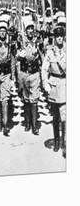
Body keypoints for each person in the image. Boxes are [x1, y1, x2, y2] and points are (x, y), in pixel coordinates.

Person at [42, 18, 66, 157]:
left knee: (65, 117)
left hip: (66, 85)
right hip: (54, 86)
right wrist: (45, 83)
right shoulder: (50, 52)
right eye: (57, 37)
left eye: (61, 36)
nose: (59, 39)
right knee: (55, 117)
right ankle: (57, 140)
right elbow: (44, 69)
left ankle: (65, 142)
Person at [16, 17, 43, 135]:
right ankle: (27, 123)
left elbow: (43, 56)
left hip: (35, 73)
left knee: (34, 100)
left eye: (32, 28)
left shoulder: (38, 41)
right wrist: (19, 55)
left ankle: (34, 125)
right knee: (26, 99)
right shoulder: (21, 41)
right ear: (25, 31)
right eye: (28, 29)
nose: (31, 31)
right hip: (24, 73)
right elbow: (15, 56)